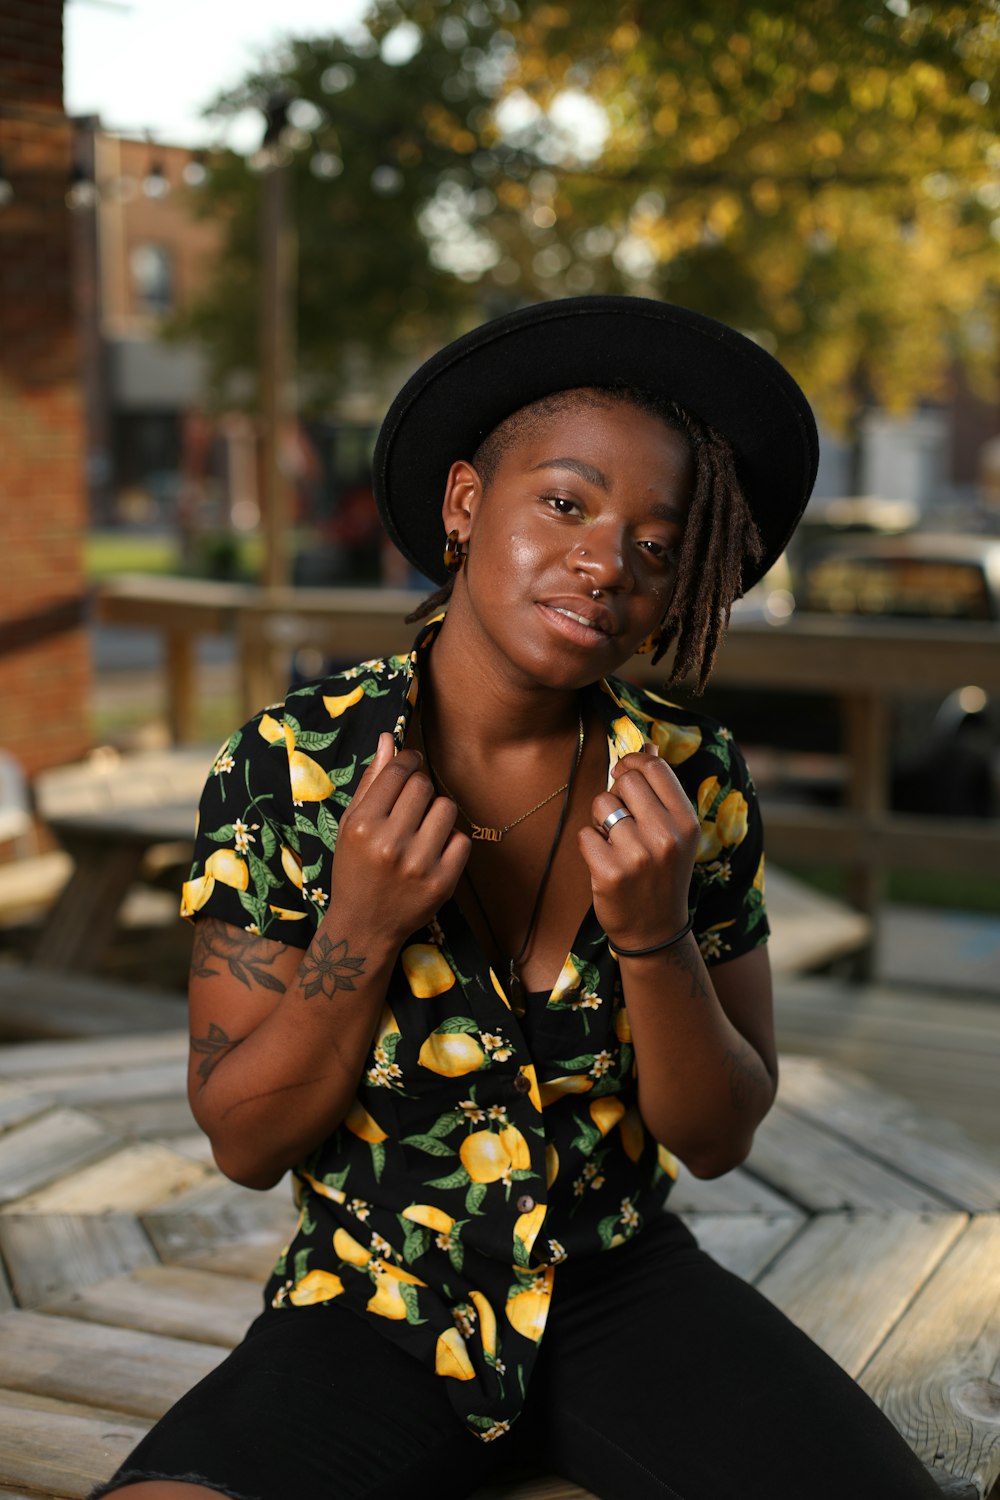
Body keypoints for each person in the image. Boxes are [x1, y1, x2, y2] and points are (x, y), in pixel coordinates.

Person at [91, 297, 939, 1500]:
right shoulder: (292, 767)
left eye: (657, 546)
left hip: (621, 1288)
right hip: (373, 1302)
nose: (605, 561)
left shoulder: (692, 781)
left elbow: (714, 1135)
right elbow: (243, 1138)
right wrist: (364, 927)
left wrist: (651, 938)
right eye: (565, 503)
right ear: (462, 505)